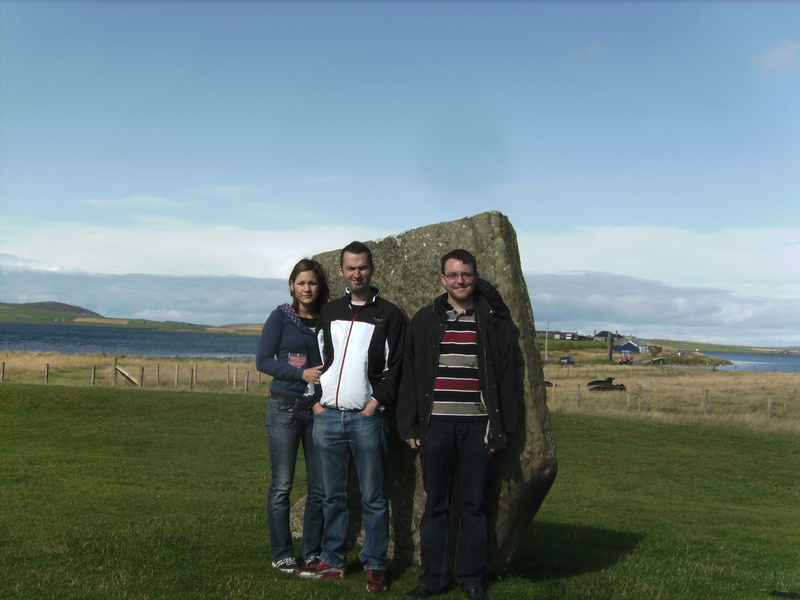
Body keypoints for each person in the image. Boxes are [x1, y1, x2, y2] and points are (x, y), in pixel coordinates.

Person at [396, 249, 522, 600]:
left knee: (475, 505)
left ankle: (470, 578)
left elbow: (509, 376)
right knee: (436, 503)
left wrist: (503, 429)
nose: (460, 281)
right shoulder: (425, 319)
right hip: (435, 426)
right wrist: (410, 426)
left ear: (475, 277)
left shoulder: (494, 321)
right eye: (453, 275)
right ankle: (432, 578)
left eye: (465, 275)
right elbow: (410, 375)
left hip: (478, 427)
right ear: (443, 279)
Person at [298, 241, 406, 593]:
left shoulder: (389, 315)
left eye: (362, 267)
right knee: (333, 495)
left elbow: (397, 366)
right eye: (350, 268)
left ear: (371, 270)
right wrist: (316, 402)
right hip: (327, 416)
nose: (357, 273)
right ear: (342, 271)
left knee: (374, 496)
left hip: (367, 418)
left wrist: (375, 404)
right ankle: (333, 558)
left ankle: (375, 563)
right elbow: (317, 358)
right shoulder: (328, 311)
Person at [256, 259, 330, 575]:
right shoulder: (281, 317)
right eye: (301, 283)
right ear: (291, 286)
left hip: (320, 411)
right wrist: (300, 374)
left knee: (319, 488)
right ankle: (283, 553)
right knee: (282, 485)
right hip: (284, 407)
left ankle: (312, 553)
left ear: (319, 286)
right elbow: (263, 361)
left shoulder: (330, 318)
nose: (307, 288)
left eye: (312, 282)